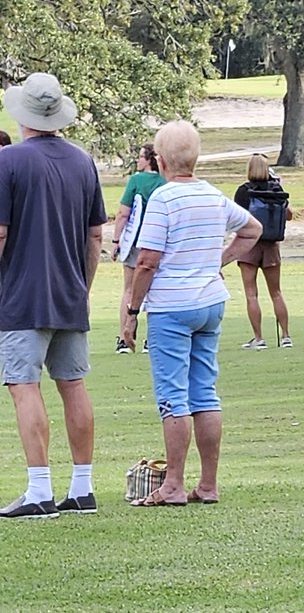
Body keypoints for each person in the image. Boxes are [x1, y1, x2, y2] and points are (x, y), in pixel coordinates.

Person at [0, 72, 106, 519]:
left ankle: (39, 490)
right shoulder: (82, 161)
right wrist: (82, 286)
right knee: (73, 384)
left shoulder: (8, 162)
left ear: (22, 113)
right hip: (69, 291)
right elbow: (94, 236)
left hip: (24, 294)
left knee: (24, 385)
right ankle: (82, 487)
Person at [122, 120, 262, 506]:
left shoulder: (164, 200)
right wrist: (220, 258)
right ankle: (208, 484)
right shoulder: (213, 195)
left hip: (172, 305)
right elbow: (252, 229)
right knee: (204, 391)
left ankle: (174, 485)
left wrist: (132, 310)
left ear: (161, 162)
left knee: (173, 396)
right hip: (210, 302)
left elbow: (148, 261)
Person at [233, 153, 293, 350]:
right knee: (276, 292)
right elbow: (289, 214)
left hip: (248, 246)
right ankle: (285, 336)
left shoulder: (244, 191)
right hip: (271, 246)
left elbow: (236, 220)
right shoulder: (276, 188)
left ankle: (258, 338)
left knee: (252, 294)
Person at [112, 143, 164, 354]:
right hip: (158, 241)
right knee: (154, 291)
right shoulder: (164, 182)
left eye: (140, 157)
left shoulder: (136, 180)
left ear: (149, 159)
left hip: (136, 241)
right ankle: (152, 340)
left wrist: (116, 240)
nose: (137, 160)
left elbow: (124, 213)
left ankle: (125, 338)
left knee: (129, 289)